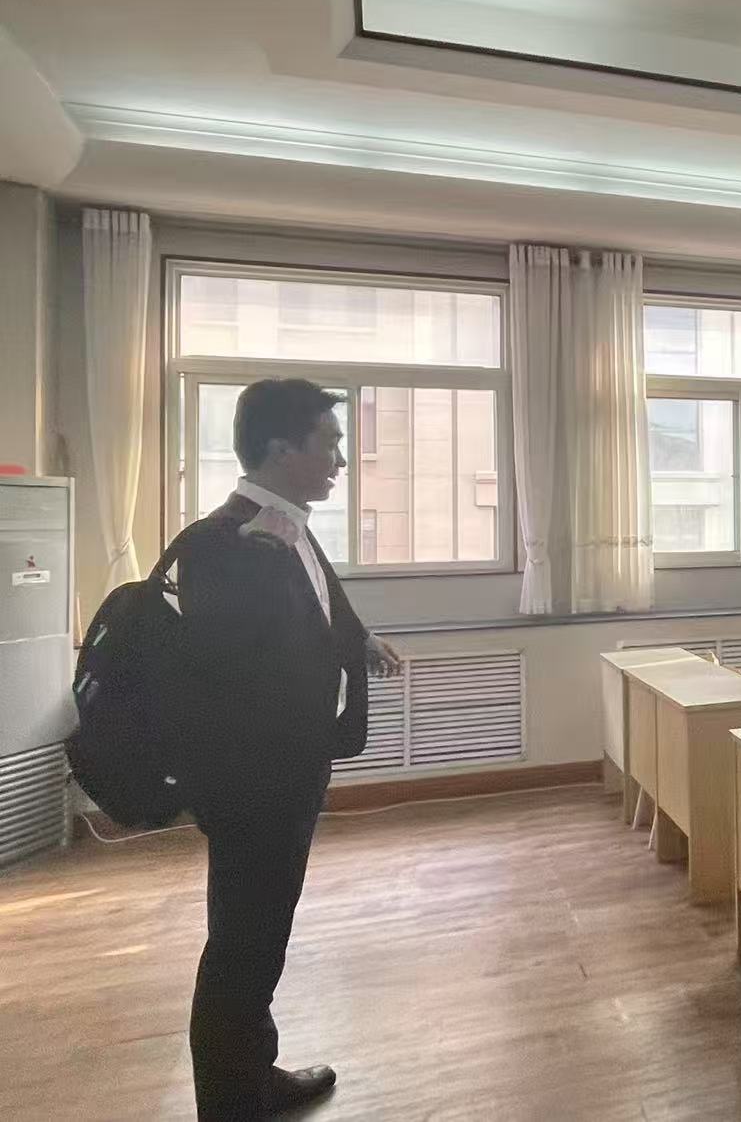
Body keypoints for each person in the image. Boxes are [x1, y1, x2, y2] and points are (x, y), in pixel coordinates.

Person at [174, 379, 402, 1119]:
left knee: (262, 934)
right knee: (242, 943)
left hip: (289, 771)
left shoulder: (287, 525)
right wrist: (259, 567)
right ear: (280, 449)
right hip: (254, 782)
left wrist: (360, 641)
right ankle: (229, 1101)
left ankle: (253, 1074)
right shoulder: (223, 542)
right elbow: (226, 665)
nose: (342, 459)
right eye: (329, 443)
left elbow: (319, 603)